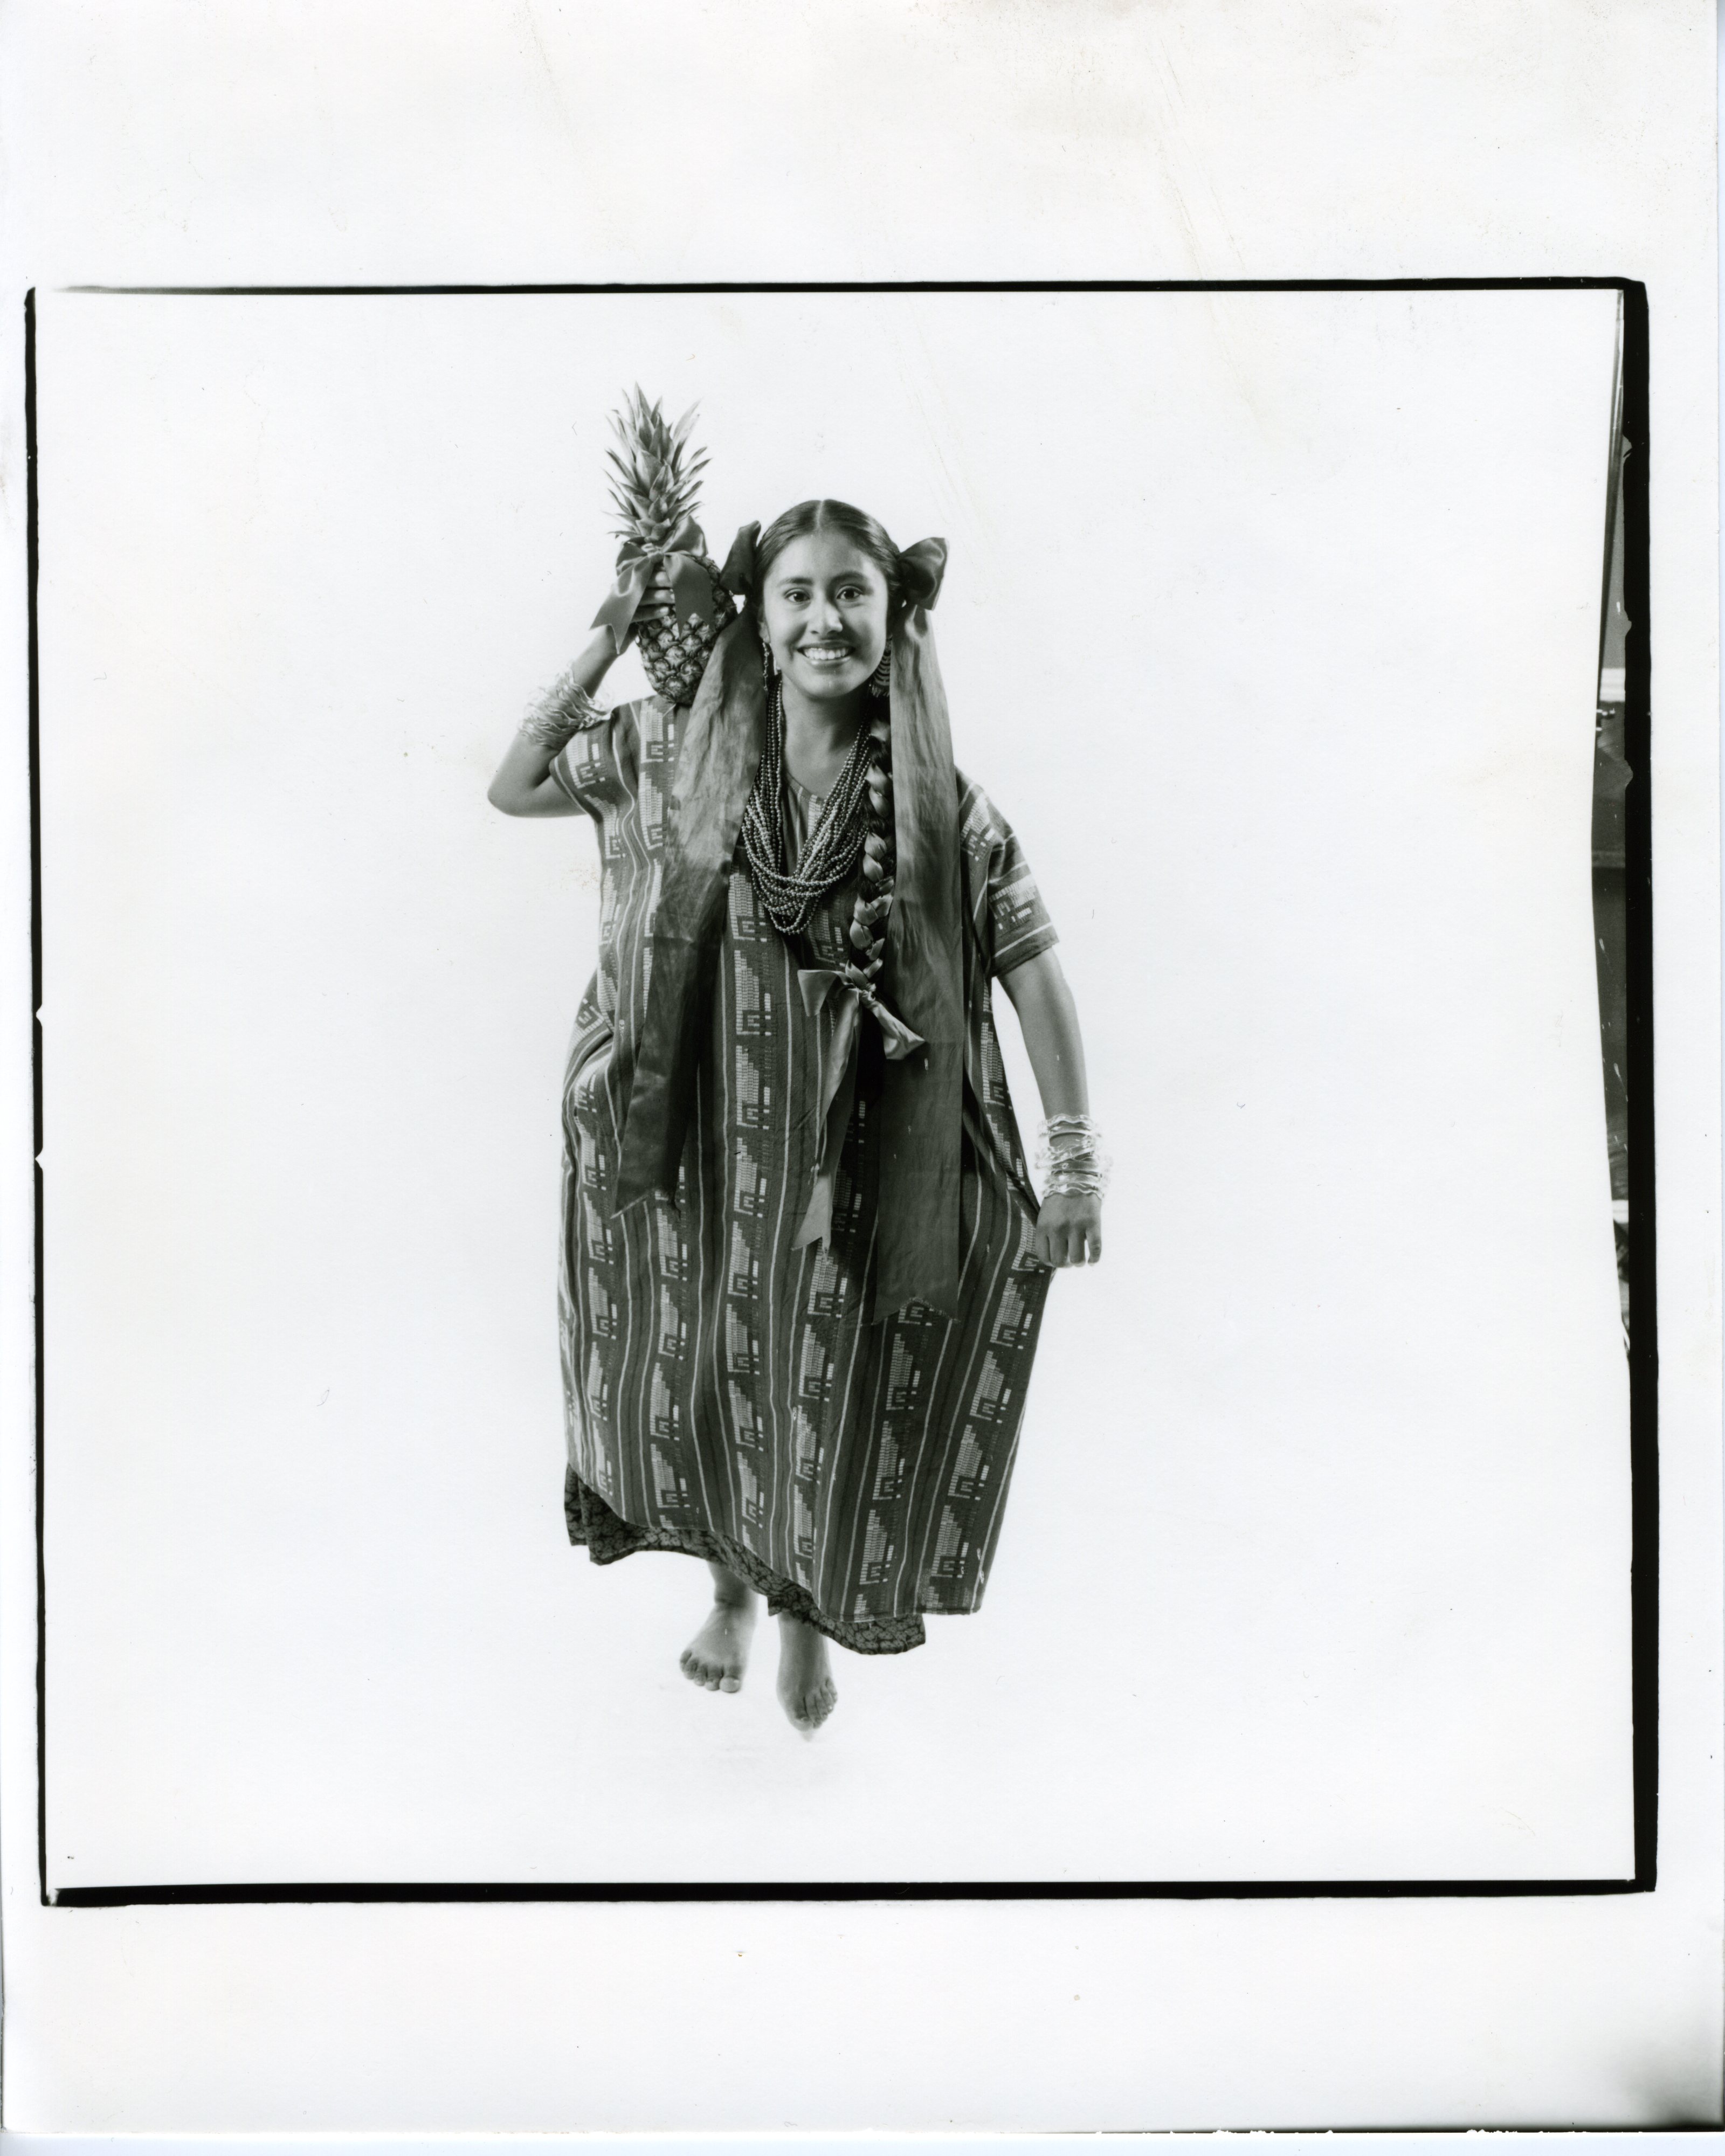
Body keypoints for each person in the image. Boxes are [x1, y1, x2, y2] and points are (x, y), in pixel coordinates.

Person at [488, 500, 1107, 1733]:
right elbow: (514, 787)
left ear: (894, 614)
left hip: (847, 1164)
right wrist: (609, 635)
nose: (825, 618)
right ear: (757, 619)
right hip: (690, 1144)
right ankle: (729, 1592)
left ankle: (802, 1615)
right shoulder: (668, 745)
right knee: (702, 1371)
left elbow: (1033, 969)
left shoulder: (941, 807)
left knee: (819, 1381)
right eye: (797, 593)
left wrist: (1074, 1165)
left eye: (851, 591)